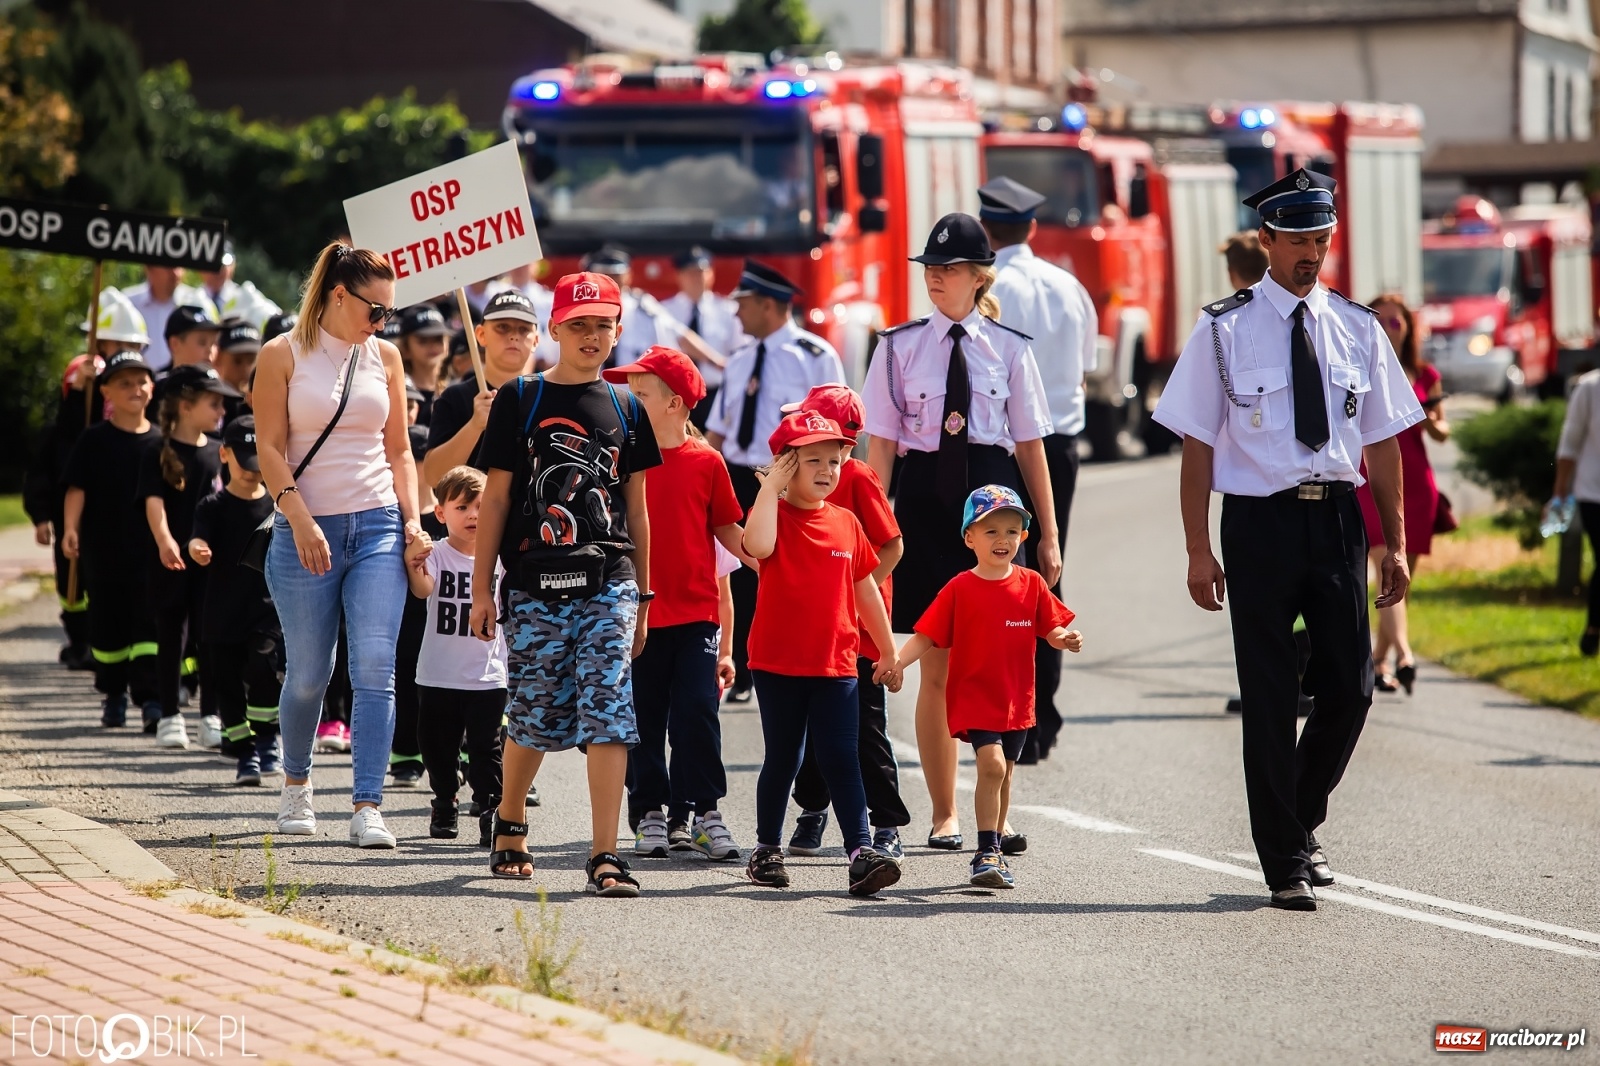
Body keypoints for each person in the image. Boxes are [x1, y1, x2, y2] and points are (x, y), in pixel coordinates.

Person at [1151, 169, 1423, 911]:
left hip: (1336, 518)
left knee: (1352, 688)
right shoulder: (1222, 328)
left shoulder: (1358, 327)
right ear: (1266, 239)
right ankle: (1285, 865)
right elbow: (1198, 445)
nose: (1313, 252)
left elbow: (1387, 441)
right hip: (1259, 524)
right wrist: (1197, 548)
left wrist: (1393, 542)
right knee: (1271, 696)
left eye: (1323, 239)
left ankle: (1297, 821)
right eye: (1300, 238)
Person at [862, 213, 1059, 851]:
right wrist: (871, 527)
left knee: (1000, 661)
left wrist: (1049, 535)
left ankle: (995, 816)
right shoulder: (897, 346)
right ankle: (946, 813)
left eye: (949, 270)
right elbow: (882, 449)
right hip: (922, 505)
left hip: (995, 497)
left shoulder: (1010, 347)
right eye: (930, 270)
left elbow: (1030, 447)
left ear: (980, 278)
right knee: (936, 664)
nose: (936, 280)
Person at [469, 270, 660, 895]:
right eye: (578, 324)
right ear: (554, 328)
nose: (590, 335)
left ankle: (606, 855)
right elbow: (495, 501)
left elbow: (637, 509)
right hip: (533, 584)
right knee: (535, 712)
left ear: (617, 331)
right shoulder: (519, 398)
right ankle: (510, 815)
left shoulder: (628, 406)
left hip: (611, 580)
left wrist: (644, 601)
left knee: (609, 711)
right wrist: (480, 588)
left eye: (602, 324)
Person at [253, 241, 432, 849]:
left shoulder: (385, 356)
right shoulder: (282, 354)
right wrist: (298, 518)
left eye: (388, 312)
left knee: (376, 668)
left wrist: (413, 520)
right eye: (374, 309)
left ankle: (367, 804)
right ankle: (297, 786)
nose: (382, 322)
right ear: (337, 294)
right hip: (305, 525)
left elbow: (400, 450)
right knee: (309, 674)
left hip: (379, 524)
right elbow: (270, 449)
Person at [740, 411, 902, 896]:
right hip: (778, 664)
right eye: (812, 461)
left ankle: (860, 853)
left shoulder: (847, 523)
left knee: (841, 757)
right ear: (786, 465)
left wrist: (888, 650)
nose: (827, 470)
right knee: (783, 758)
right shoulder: (773, 514)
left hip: (837, 664)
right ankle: (767, 848)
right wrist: (770, 489)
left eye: (834, 460)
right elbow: (757, 544)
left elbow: (866, 591)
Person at [889, 486, 1082, 888]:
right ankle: (985, 852)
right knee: (991, 765)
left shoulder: (1030, 584)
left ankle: (993, 845)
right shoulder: (960, 588)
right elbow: (927, 634)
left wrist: (1064, 637)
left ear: (1023, 537)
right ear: (969, 538)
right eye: (991, 531)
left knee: (1006, 774)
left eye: (1012, 531)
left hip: (1016, 700)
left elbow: (1051, 626)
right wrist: (897, 662)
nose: (1003, 540)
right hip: (976, 697)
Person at [602, 346, 746, 861]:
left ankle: (705, 811)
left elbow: (729, 528)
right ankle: (649, 814)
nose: (629, 402)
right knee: (641, 717)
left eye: (640, 394)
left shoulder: (707, 462)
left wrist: (774, 563)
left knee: (697, 713)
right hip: (634, 613)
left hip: (696, 616)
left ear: (677, 404)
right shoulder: (619, 458)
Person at [980, 175, 1098, 764]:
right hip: (1061, 447)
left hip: (1002, 447)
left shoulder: (984, 289)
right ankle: (1041, 718)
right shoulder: (1068, 287)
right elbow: (1085, 369)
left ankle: (1002, 719)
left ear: (985, 229)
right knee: (1048, 574)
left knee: (995, 581)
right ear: (1032, 227)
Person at [781, 384, 910, 861]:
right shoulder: (804, 478)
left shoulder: (855, 475)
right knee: (818, 729)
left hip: (859, 630)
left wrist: (855, 588)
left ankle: (887, 824)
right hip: (822, 628)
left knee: (864, 730)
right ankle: (813, 811)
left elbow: (892, 546)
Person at [706, 262, 846, 701]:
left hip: (788, 482)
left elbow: (839, 428)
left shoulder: (815, 355)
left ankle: (789, 662)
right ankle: (743, 666)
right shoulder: (741, 359)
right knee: (737, 572)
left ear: (769, 305)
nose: (737, 314)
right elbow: (718, 430)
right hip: (737, 474)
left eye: (744, 304)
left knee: (785, 574)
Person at [25, 288, 151, 670]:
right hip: (76, 506)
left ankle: (104, 640)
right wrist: (43, 515)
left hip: (112, 507)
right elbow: (53, 461)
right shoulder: (74, 406)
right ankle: (80, 637)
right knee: (73, 578)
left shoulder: (131, 401)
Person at [406, 465, 507, 847]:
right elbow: (422, 589)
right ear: (441, 512)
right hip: (438, 674)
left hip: (488, 675)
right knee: (436, 746)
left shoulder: (501, 559)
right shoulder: (436, 553)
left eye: (482, 506)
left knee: (486, 748)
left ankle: (489, 808)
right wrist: (414, 561)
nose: (474, 516)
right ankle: (445, 801)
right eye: (463, 507)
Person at [61, 350, 162, 728]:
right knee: (107, 628)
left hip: (149, 554)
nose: (136, 389)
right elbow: (76, 488)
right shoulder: (94, 440)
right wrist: (70, 529)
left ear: (152, 387)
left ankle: (150, 698)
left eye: (141, 381)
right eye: (125, 383)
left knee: (147, 627)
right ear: (106, 392)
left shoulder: (160, 442)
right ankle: (114, 693)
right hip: (103, 552)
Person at [140, 364, 235, 747]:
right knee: (171, 636)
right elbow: (153, 501)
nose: (221, 412)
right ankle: (169, 714)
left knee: (208, 638)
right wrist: (165, 541)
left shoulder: (218, 452)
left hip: (209, 563)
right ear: (184, 405)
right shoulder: (156, 449)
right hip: (171, 561)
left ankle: (210, 714)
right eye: (213, 403)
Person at [1357, 294, 1447, 693]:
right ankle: (1406, 653)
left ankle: (1378, 663)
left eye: (1397, 322)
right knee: (1383, 566)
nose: (1390, 329)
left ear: (1408, 328)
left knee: (1400, 583)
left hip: (1416, 483)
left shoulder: (1425, 374)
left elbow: (1443, 431)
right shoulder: (1359, 368)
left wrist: (1426, 417)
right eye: (1382, 321)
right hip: (1374, 478)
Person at [187, 416, 284, 785]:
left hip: (266, 609)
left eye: (259, 462)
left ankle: (266, 740)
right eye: (245, 461)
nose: (252, 471)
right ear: (224, 454)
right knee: (225, 684)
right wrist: (197, 548)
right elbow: (197, 537)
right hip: (221, 610)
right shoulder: (212, 506)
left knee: (264, 670)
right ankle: (244, 754)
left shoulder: (277, 506)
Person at [423, 290, 539, 485]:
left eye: (523, 329)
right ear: (481, 335)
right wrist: (474, 425)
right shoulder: (454, 397)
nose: (513, 336)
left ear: (536, 340)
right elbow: (434, 477)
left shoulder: (547, 396)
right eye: (503, 327)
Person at [662, 247, 745, 427]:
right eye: (690, 273)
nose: (696, 278)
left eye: (700, 272)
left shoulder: (729, 311)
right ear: (679, 276)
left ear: (711, 274)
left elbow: (741, 353)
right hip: (675, 397)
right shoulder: (663, 311)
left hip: (715, 395)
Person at [124, 267, 215, 372]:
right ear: (149, 268)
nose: (176, 273)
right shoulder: (128, 303)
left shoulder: (198, 300)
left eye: (179, 266)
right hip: (142, 384)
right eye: (170, 267)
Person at [394, 304, 451, 427]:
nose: (432, 346)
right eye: (423, 340)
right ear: (405, 349)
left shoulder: (455, 389)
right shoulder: (397, 390)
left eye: (438, 339)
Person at [216, 320, 261, 425]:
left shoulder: (266, 404)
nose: (245, 370)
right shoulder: (207, 404)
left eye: (251, 361)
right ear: (219, 356)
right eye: (237, 361)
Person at [199, 241, 242, 314]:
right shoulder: (192, 298)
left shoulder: (242, 299)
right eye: (213, 265)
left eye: (223, 265)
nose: (218, 271)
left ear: (233, 266)